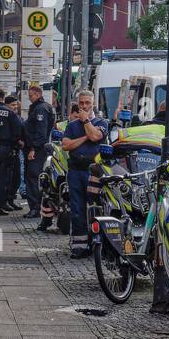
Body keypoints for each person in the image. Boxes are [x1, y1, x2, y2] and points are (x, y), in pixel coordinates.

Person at [62, 90, 107, 259]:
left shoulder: (101, 122)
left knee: (95, 207)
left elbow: (95, 136)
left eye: (87, 103)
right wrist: (84, 138)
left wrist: (86, 121)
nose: (84, 106)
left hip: (94, 172)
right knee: (77, 209)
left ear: (93, 103)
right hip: (75, 171)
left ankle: (96, 242)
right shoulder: (72, 126)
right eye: (81, 103)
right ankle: (79, 245)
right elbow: (66, 145)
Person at [23, 84, 55, 220]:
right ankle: (36, 207)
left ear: (37, 94)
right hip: (38, 148)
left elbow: (40, 133)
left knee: (33, 178)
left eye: (31, 96)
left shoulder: (40, 109)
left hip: (37, 150)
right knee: (34, 177)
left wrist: (33, 149)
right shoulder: (43, 107)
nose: (29, 99)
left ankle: (35, 208)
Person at [0, 92, 24, 215]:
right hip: (7, 148)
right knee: (4, 178)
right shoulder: (10, 114)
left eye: (16, 104)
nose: (15, 107)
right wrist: (17, 143)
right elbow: (17, 131)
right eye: (13, 104)